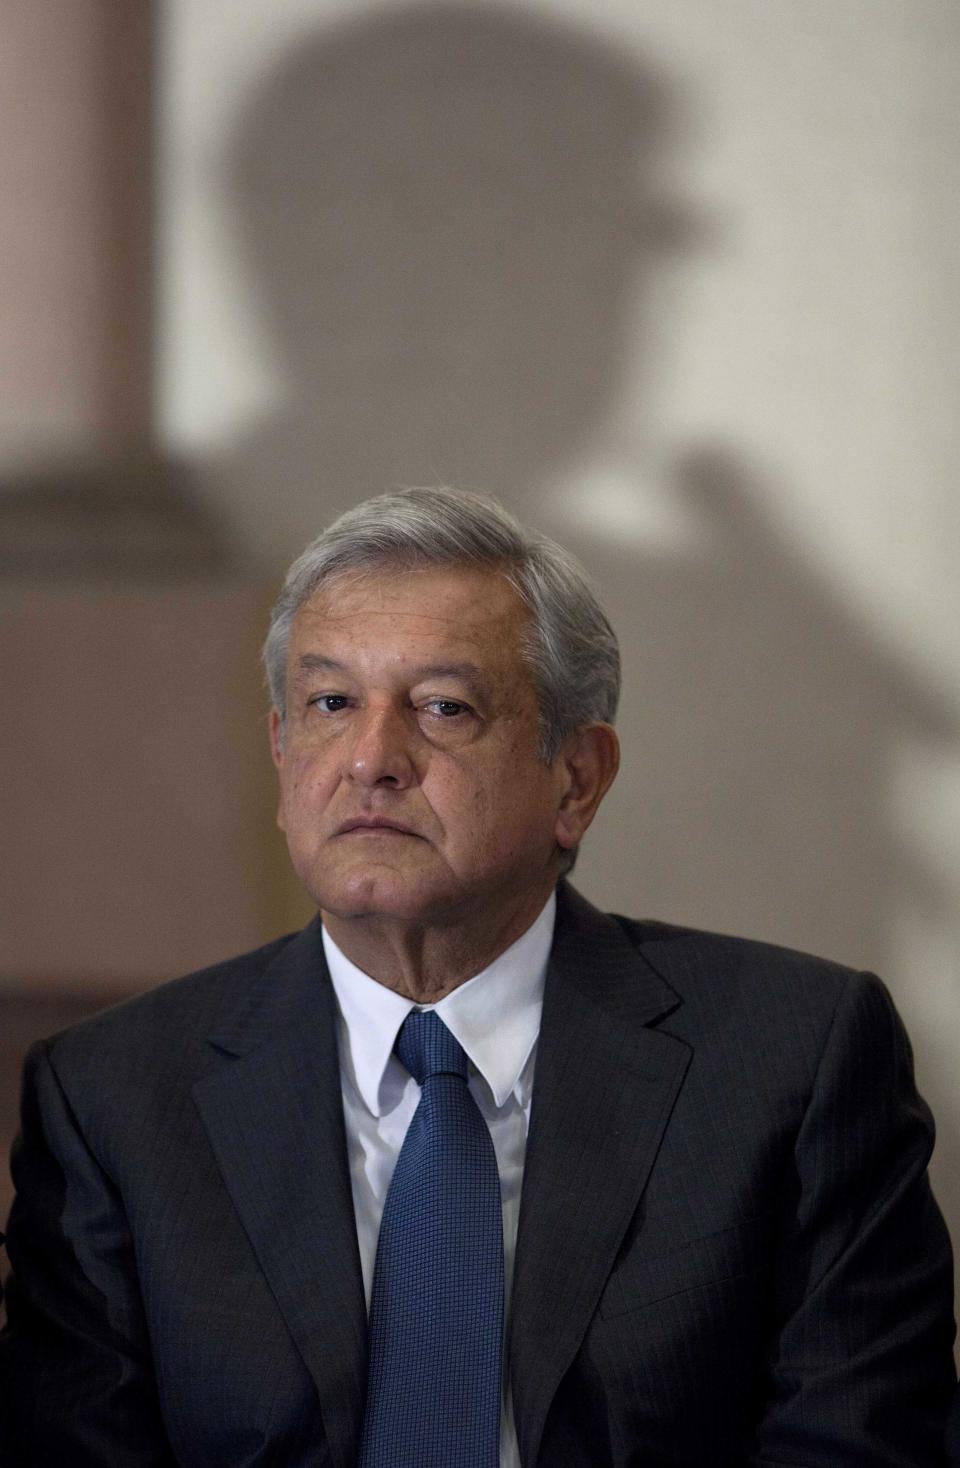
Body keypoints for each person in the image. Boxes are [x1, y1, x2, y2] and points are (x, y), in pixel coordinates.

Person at [0, 486, 955, 1466]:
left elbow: (863, 1446)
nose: (372, 758)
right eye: (331, 703)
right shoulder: (115, 1100)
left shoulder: (790, 1062)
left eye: (443, 707)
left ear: (576, 779)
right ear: (283, 752)